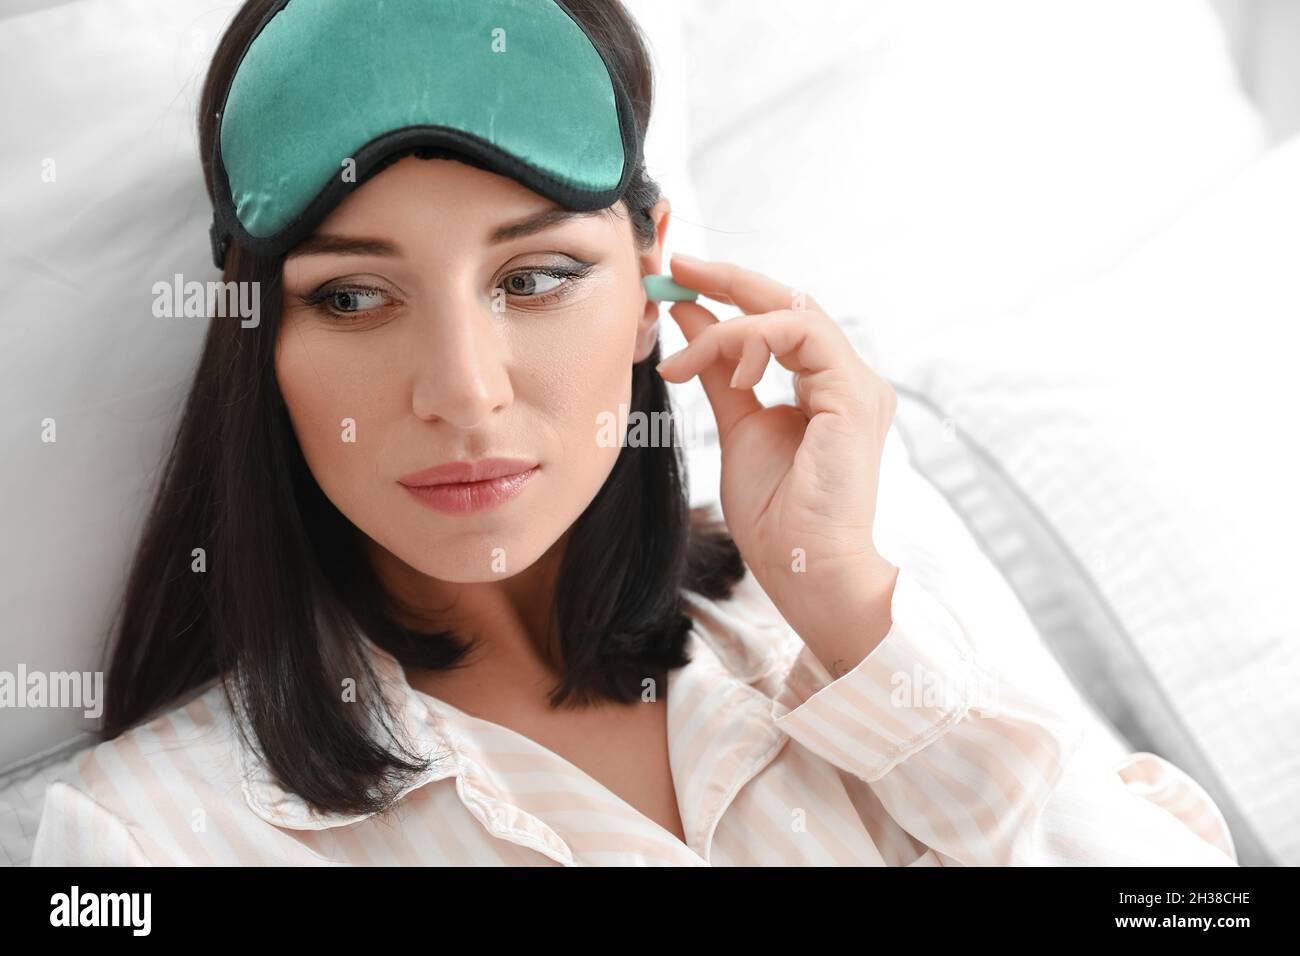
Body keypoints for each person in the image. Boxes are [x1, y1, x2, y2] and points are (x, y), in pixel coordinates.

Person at [30, 0, 1237, 866]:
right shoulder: (145, 835)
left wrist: (850, 606)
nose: (464, 390)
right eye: (353, 296)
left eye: (537, 277)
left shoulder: (828, 640)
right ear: (258, 336)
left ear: (652, 281)